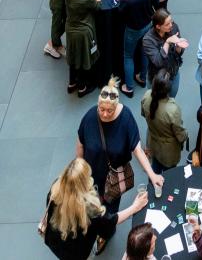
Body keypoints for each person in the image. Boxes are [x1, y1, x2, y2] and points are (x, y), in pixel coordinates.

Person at [76, 78, 164, 239]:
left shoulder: (126, 118)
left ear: (116, 106)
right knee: (89, 205)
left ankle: (105, 234)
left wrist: (152, 174)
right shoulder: (90, 117)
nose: (104, 113)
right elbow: (81, 144)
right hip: (90, 176)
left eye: (109, 110)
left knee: (109, 210)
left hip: (114, 179)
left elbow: (137, 149)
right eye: (101, 109)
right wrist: (79, 171)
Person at [43, 158, 147, 260]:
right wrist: (135, 207)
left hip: (55, 242)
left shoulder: (55, 189)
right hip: (78, 253)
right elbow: (110, 221)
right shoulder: (88, 209)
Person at [120, 0, 159, 97]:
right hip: (148, 26)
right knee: (144, 50)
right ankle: (143, 78)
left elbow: (121, 14)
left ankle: (129, 87)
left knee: (128, 56)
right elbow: (157, 2)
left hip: (132, 30)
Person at [141, 69, 188, 173]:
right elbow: (180, 135)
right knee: (169, 176)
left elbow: (143, 114)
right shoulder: (172, 109)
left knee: (155, 170)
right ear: (168, 89)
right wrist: (186, 135)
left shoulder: (146, 96)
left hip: (153, 142)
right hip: (168, 152)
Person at [65, 0, 101, 97]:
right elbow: (98, 6)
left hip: (70, 29)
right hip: (84, 33)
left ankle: (72, 84)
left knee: (73, 56)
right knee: (82, 59)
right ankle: (82, 87)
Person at [143, 10, 189, 98]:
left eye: (171, 21)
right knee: (155, 104)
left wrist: (179, 47)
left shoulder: (173, 27)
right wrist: (167, 42)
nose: (171, 25)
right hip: (157, 79)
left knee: (171, 100)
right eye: (167, 24)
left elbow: (178, 53)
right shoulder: (148, 40)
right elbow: (158, 62)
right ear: (158, 26)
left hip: (173, 74)